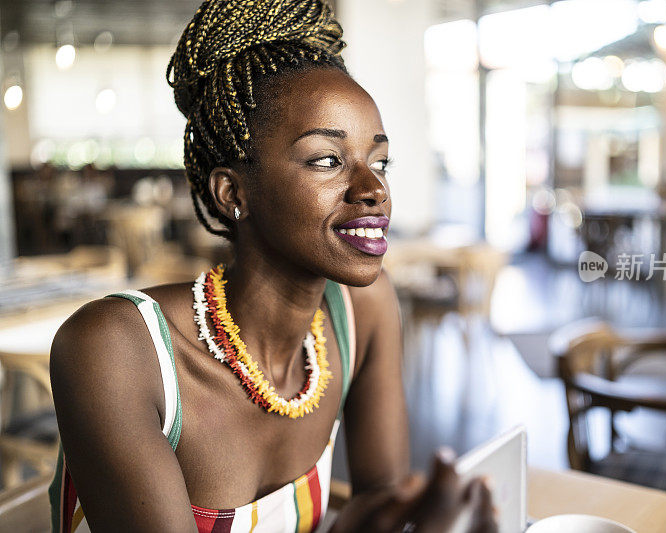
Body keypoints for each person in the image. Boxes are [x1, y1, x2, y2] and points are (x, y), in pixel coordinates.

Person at [48, 1, 497, 531]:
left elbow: (379, 505)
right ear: (233, 192)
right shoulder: (116, 350)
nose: (375, 190)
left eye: (379, 162)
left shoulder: (362, 310)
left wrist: (421, 515)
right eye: (327, 160)